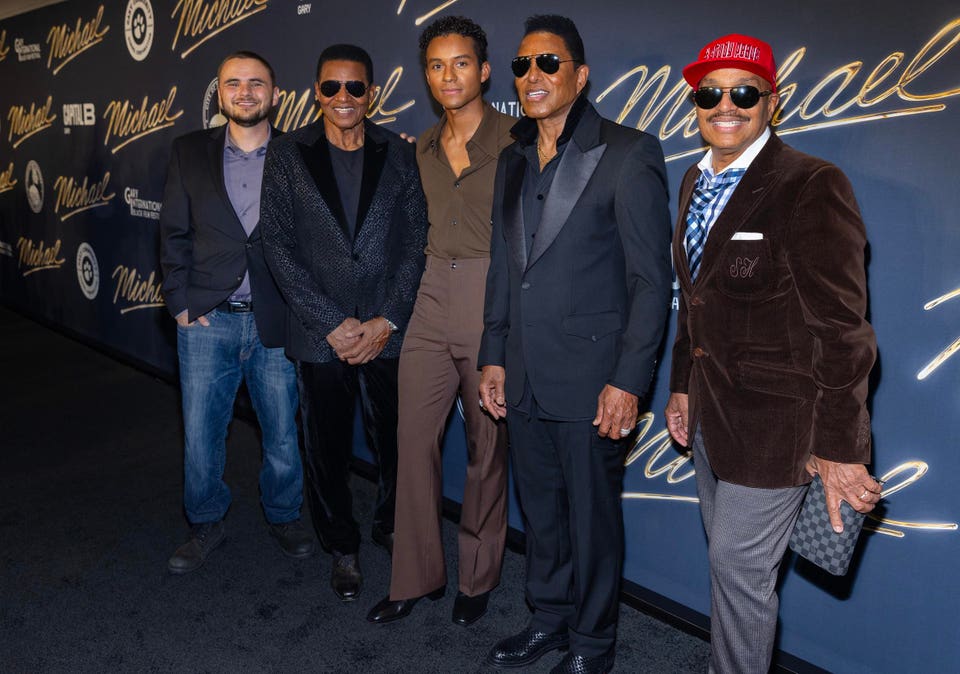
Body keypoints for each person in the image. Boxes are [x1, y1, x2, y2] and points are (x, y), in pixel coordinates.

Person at [663, 34, 882, 673]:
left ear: (771, 102)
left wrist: (841, 449)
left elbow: (845, 330)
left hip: (780, 426)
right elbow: (692, 298)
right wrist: (681, 383)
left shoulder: (812, 183)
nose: (724, 105)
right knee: (732, 571)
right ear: (694, 101)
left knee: (737, 571)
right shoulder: (693, 179)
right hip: (710, 418)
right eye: (710, 93)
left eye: (743, 92)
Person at [478, 15, 672, 674]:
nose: (533, 76)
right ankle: (550, 621)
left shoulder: (627, 152)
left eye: (549, 63)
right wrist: (493, 355)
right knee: (544, 516)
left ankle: (593, 646)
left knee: (591, 524)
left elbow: (651, 281)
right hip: (525, 377)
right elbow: (507, 269)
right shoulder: (510, 157)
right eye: (523, 65)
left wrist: (628, 380)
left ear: (580, 75)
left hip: (594, 382)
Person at [259, 44, 428, 602]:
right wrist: (332, 322)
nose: (343, 98)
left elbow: (413, 243)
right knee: (324, 447)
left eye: (355, 88)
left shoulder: (399, 155)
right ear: (316, 93)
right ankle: (342, 546)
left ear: (372, 94)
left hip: (385, 330)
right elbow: (278, 247)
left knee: (396, 442)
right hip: (318, 331)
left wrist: (387, 319)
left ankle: (391, 526)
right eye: (331, 87)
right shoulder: (286, 155)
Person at [365, 15, 514, 629]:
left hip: (491, 298)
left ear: (482, 70)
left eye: (460, 63)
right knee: (412, 442)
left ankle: (477, 579)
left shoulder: (521, 140)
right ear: (426, 76)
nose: (447, 75)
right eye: (435, 65)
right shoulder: (419, 149)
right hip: (427, 298)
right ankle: (415, 575)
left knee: (488, 449)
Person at [160, 51, 314, 574]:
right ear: (220, 93)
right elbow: (173, 233)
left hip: (277, 318)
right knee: (201, 435)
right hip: (207, 319)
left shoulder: (301, 153)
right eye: (233, 83)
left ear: (274, 93)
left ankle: (284, 514)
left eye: (256, 83)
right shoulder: (188, 151)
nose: (245, 92)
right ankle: (205, 522)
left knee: (282, 433)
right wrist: (179, 303)